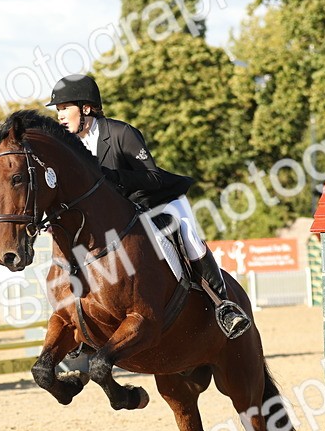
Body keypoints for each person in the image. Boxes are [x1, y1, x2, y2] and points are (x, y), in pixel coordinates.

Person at [48, 73, 251, 339]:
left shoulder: (121, 133)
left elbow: (152, 176)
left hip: (157, 199)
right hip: (116, 216)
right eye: (58, 110)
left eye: (65, 109)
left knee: (189, 236)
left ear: (86, 108)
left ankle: (224, 306)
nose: (60, 116)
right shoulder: (70, 148)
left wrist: (111, 178)